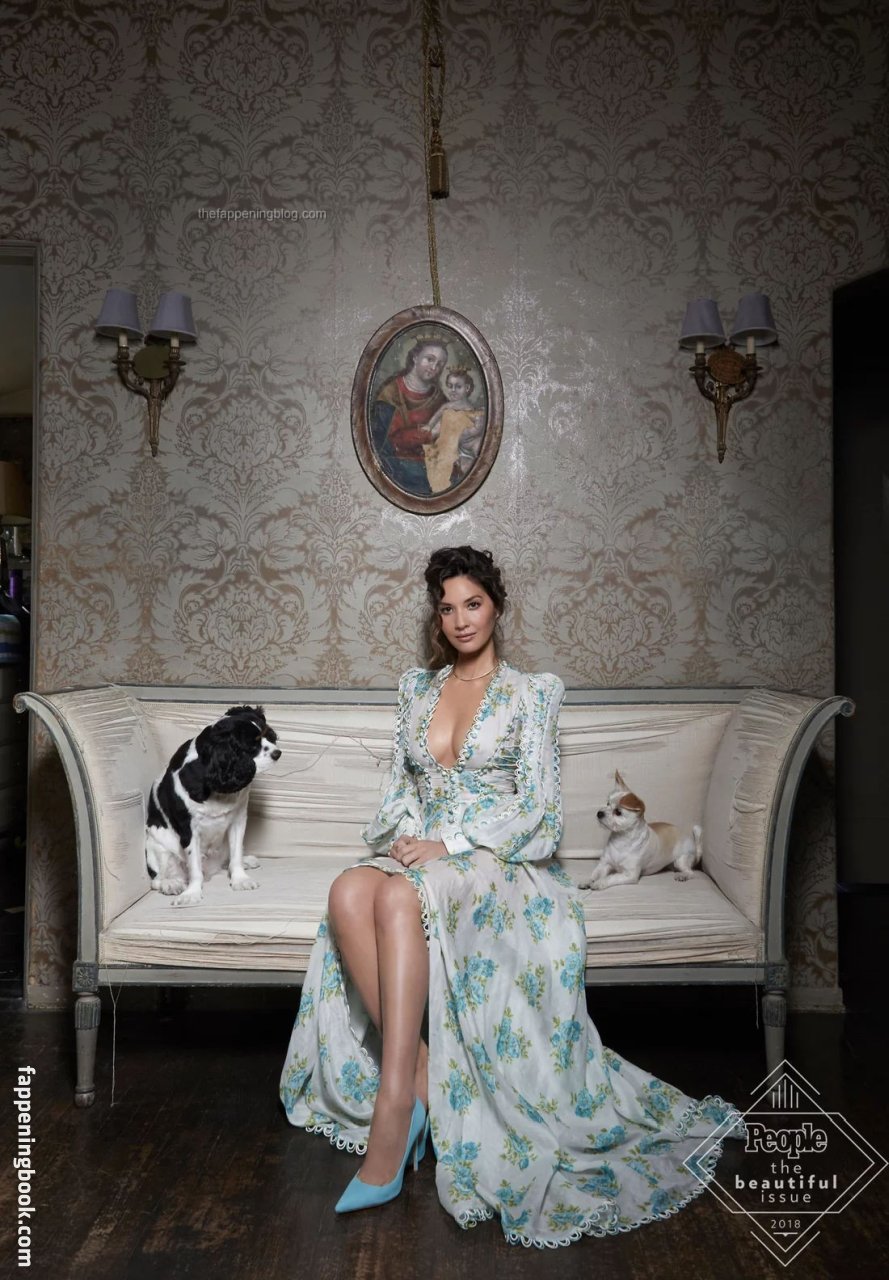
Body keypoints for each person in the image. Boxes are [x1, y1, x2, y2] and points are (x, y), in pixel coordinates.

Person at [279, 546, 745, 1246]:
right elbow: (400, 791)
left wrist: (452, 843)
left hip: (498, 859)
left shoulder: (532, 693)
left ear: (496, 606)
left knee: (400, 901)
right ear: (436, 618)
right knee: (349, 890)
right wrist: (408, 838)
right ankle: (424, 1081)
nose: (461, 620)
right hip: (426, 850)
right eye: (447, 608)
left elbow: (540, 814)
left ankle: (393, 1110)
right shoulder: (416, 689)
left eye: (473, 603)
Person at [372, 339, 448, 495]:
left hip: (434, 466)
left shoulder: (439, 398)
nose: (434, 367)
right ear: (415, 357)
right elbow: (382, 445)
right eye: (430, 359)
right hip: (398, 468)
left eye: (440, 364)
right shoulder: (390, 393)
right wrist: (428, 434)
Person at [423, 367, 485, 493]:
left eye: (458, 387)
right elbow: (436, 417)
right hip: (446, 443)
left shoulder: (472, 410)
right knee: (439, 460)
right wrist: (429, 426)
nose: (453, 390)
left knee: (477, 454)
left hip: (465, 443)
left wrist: (467, 433)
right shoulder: (447, 406)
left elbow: (478, 428)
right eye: (450, 386)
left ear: (467, 388)